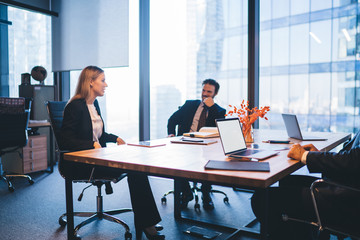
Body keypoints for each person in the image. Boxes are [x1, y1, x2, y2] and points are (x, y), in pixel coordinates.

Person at [60, 66, 165, 240]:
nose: (106, 84)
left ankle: (147, 221)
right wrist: (90, 144)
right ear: (91, 82)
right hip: (80, 165)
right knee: (135, 169)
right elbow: (65, 141)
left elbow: (99, 134)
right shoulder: (75, 106)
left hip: (97, 159)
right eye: (102, 80)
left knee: (137, 167)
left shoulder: (94, 105)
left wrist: (115, 138)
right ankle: (147, 224)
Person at [251, 130, 360, 240]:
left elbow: (354, 160)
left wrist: (306, 156)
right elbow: (351, 160)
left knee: (261, 199)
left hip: (348, 200)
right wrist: (316, 155)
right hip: (348, 187)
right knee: (288, 181)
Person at [167, 79, 226, 210]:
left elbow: (221, 128)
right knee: (176, 163)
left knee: (210, 162)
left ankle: (206, 193)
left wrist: (212, 107)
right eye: (203, 90)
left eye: (209, 92)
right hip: (186, 143)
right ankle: (186, 192)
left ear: (215, 94)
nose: (205, 94)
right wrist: (171, 133)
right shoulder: (190, 105)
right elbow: (172, 120)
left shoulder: (220, 111)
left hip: (207, 146)